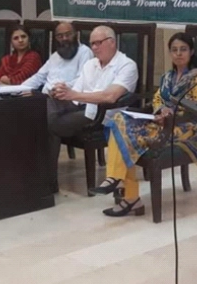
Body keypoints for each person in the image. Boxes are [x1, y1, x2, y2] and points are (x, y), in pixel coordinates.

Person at [92, 32, 197, 217]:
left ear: (192, 52)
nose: (178, 54)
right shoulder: (168, 76)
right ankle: (121, 186)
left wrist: (172, 116)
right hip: (163, 123)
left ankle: (128, 195)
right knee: (119, 121)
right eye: (174, 50)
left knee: (125, 135)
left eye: (183, 49)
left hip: (188, 128)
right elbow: (157, 99)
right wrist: (161, 111)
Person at [47, 25, 139, 193]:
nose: (94, 48)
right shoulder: (90, 64)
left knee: (50, 126)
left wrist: (72, 95)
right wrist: (61, 90)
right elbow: (76, 88)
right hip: (81, 108)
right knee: (46, 104)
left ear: (112, 42)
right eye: (92, 44)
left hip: (103, 116)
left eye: (98, 43)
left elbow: (109, 97)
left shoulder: (127, 65)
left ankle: (47, 181)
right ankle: (46, 178)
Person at [20, 22, 93, 94]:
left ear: (76, 34)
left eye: (68, 35)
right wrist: (20, 88)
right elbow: (39, 77)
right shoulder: (55, 55)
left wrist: (62, 87)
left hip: (68, 98)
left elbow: (82, 80)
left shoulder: (85, 52)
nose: (64, 38)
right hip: (46, 98)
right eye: (60, 36)